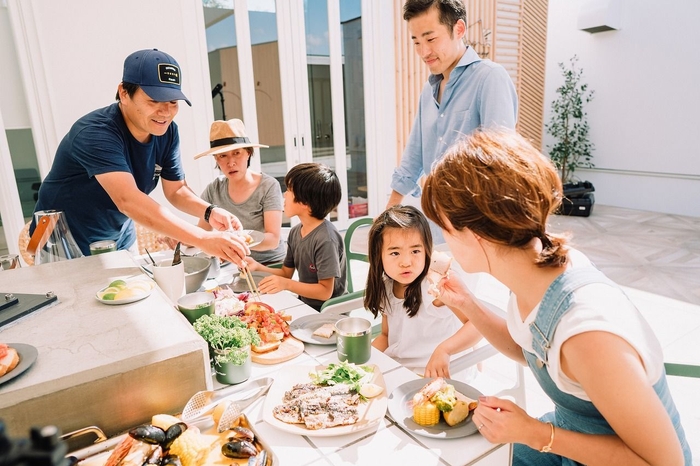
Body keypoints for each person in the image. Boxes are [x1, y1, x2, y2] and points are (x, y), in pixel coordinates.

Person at [421, 129, 692, 465]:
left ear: (476, 236)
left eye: (444, 228)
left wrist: (532, 432)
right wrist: (466, 304)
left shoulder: (588, 334)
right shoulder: (533, 263)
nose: (442, 240)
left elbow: (666, 462)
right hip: (569, 443)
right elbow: (531, 349)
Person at [30, 49, 250, 265]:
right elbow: (127, 200)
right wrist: (202, 238)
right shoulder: (95, 132)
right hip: (63, 242)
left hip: (119, 238)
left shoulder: (167, 132)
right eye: (155, 100)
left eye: (173, 102)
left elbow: (177, 190)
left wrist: (210, 212)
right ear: (124, 93)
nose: (166, 111)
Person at [388, 0, 518, 243]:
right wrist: (388, 212)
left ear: (458, 30)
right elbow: (414, 155)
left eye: (430, 38)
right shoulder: (428, 92)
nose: (423, 51)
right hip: (435, 223)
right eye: (416, 41)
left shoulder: (489, 79)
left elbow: (501, 164)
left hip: (476, 229)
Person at [364, 205, 482, 378]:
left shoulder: (434, 285)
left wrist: (445, 350)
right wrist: (363, 360)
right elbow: (386, 335)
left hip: (437, 375)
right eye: (395, 253)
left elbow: (477, 325)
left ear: (427, 250)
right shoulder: (387, 286)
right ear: (378, 256)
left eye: (415, 251)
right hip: (401, 369)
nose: (406, 262)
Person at [245, 163, 346, 311]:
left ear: (305, 202)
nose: (285, 194)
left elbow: (325, 292)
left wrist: (286, 285)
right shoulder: (295, 232)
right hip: (306, 305)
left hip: (330, 311)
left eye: (290, 190)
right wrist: (257, 267)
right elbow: (286, 273)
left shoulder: (326, 239)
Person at [194, 119, 286, 264]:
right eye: (223, 155)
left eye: (236, 153)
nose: (231, 163)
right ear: (216, 159)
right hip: (233, 265)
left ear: (248, 153)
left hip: (270, 264)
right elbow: (201, 232)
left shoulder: (268, 186)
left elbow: (273, 240)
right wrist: (176, 237)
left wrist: (233, 242)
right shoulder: (214, 189)